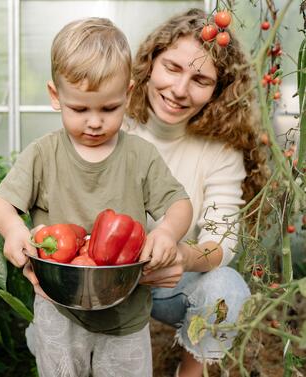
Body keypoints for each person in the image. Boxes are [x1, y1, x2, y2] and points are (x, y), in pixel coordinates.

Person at [0, 17, 193, 377]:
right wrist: (13, 231)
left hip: (125, 315)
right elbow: (2, 203)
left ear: (128, 95)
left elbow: (179, 203)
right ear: (56, 96)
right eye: (80, 109)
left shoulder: (140, 156)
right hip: (57, 308)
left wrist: (167, 234)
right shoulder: (43, 154)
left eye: (109, 109)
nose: (94, 122)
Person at [124, 8, 268, 377]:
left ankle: (191, 370)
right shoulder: (113, 120)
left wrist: (183, 257)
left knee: (227, 289)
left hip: (170, 282)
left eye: (200, 79)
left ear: (217, 92)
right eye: (172, 68)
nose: (179, 90)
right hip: (106, 278)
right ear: (151, 63)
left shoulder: (219, 150)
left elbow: (223, 239)